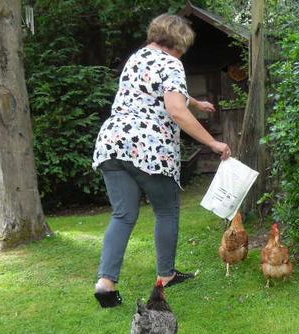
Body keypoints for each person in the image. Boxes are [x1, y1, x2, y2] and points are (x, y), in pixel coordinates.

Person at [91, 13, 231, 308]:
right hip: (149, 148)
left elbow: (152, 90)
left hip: (113, 144)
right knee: (166, 210)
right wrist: (213, 142)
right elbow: (175, 110)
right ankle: (166, 275)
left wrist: (195, 101)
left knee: (123, 215)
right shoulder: (173, 63)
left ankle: (106, 284)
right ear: (179, 42)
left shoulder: (137, 58)